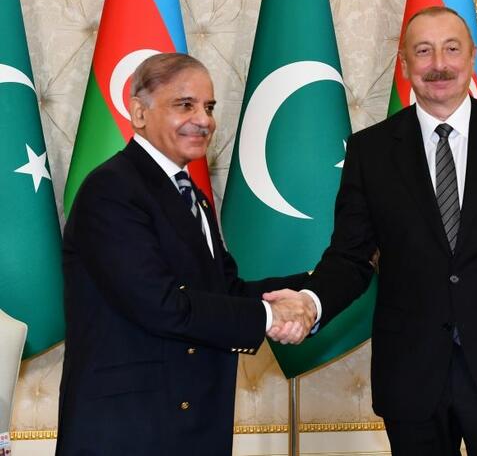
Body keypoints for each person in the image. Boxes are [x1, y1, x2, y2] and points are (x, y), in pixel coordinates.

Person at [277, 6, 477, 455]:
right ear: (404, 63)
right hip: (412, 382)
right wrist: (310, 302)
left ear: (472, 57)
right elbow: (350, 258)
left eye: (451, 49)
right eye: (423, 51)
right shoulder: (370, 151)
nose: (439, 64)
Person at [56, 53, 316, 456]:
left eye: (208, 107)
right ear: (139, 113)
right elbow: (161, 305)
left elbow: (224, 292)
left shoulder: (192, 196)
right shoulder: (111, 189)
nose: (204, 120)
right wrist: (270, 316)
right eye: (185, 105)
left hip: (187, 423)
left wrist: (315, 285)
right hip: (128, 431)